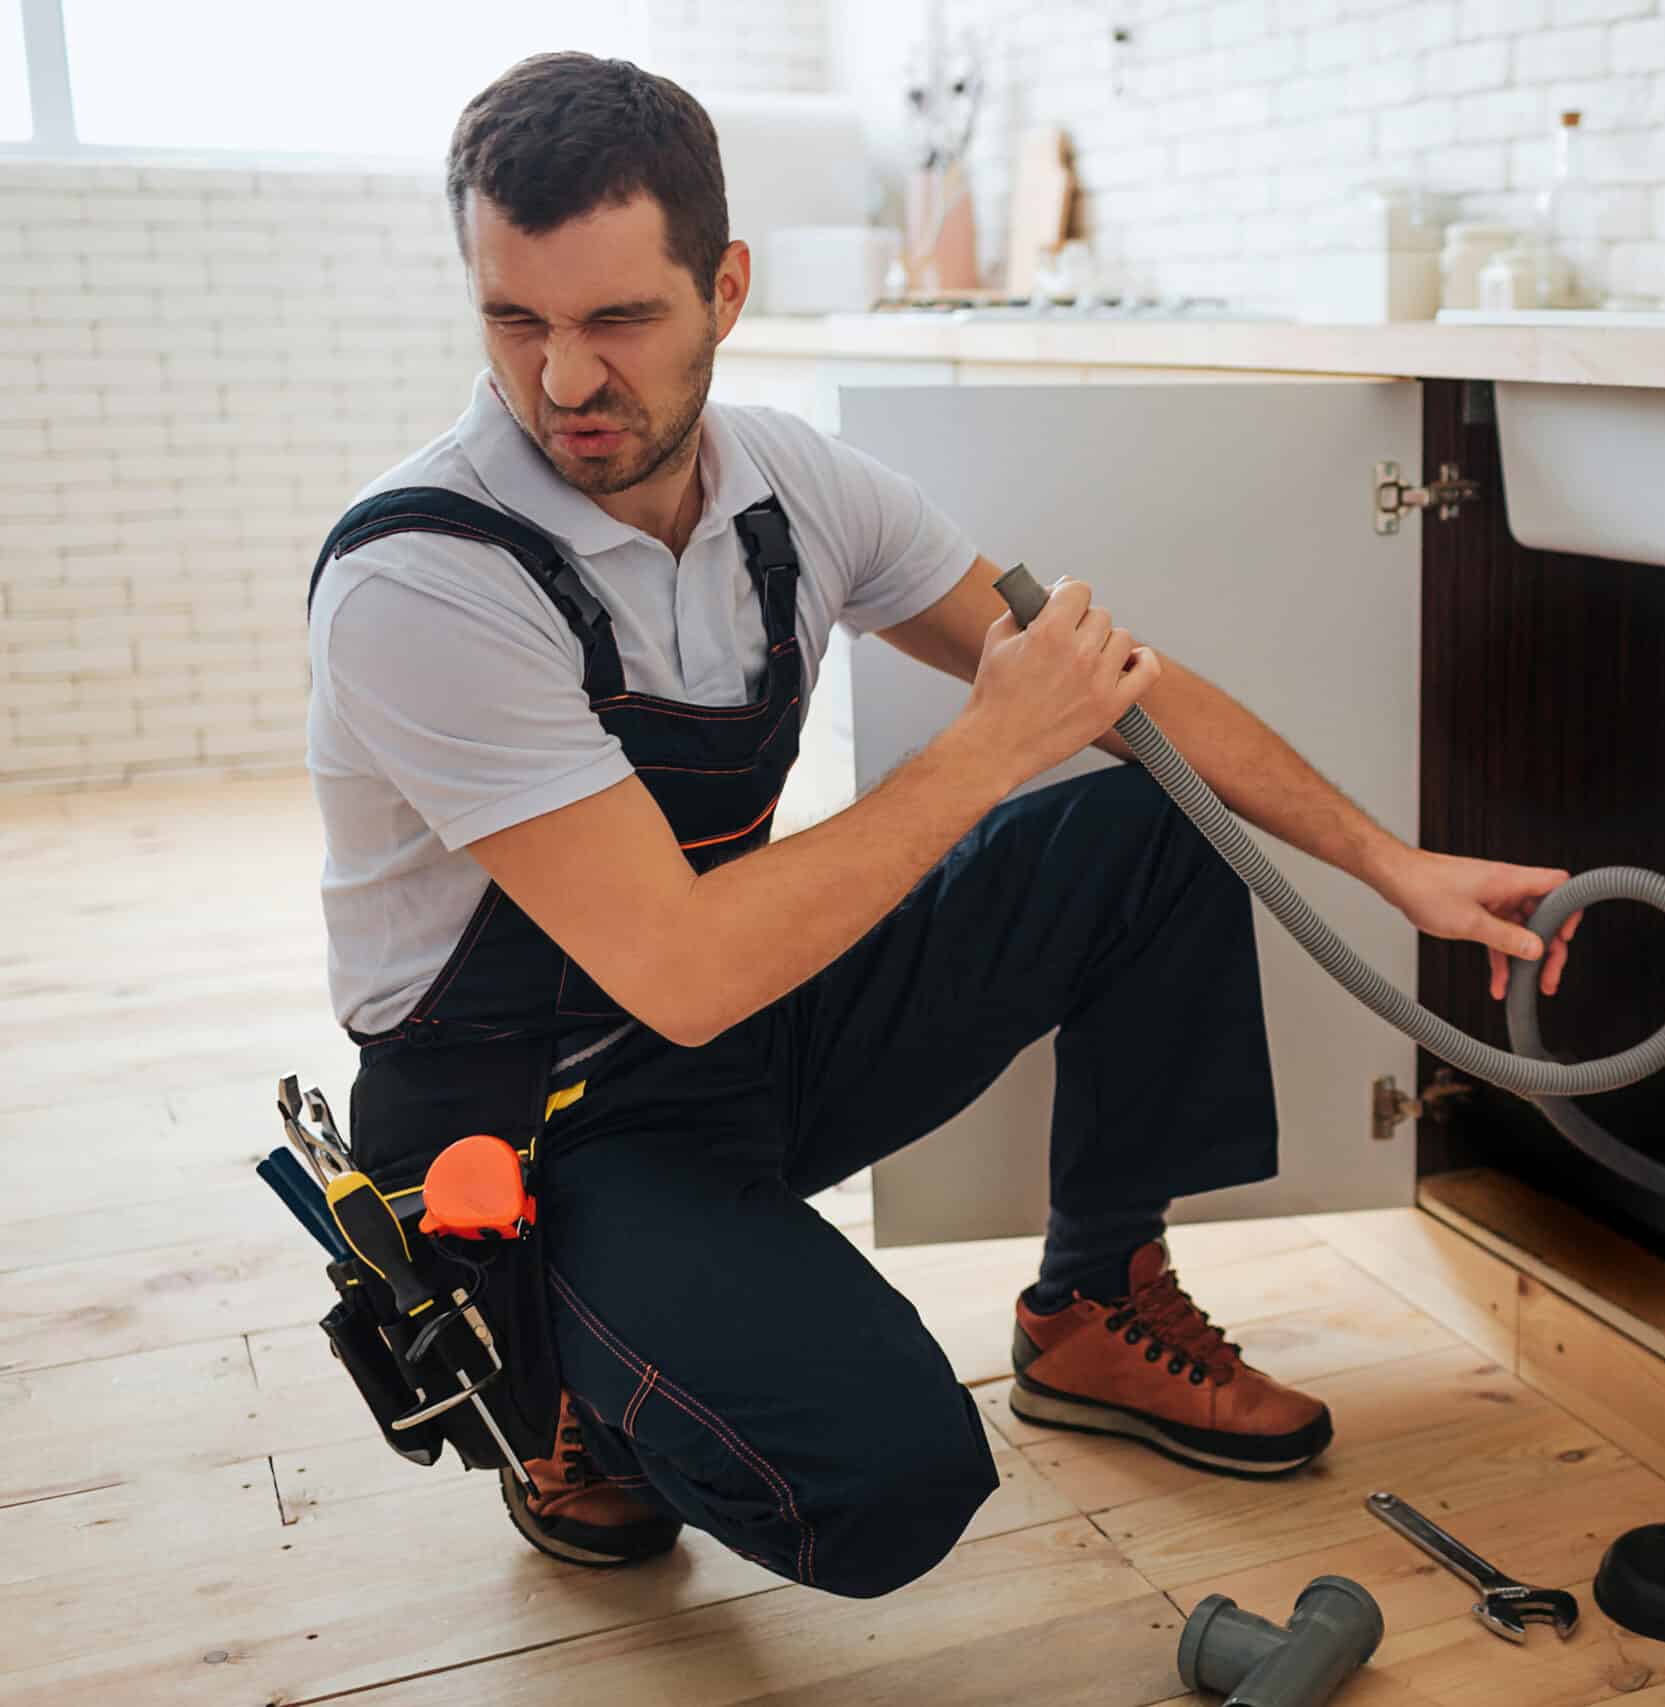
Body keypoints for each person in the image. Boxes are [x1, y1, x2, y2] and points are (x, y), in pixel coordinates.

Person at [303, 51, 1584, 1599]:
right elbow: (684, 969)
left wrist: (1395, 864)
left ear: (726, 287)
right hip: (528, 1124)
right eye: (517, 321)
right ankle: (568, 1388)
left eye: (618, 321)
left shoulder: (787, 485)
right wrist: (984, 751)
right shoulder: (426, 576)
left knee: (1153, 824)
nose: (565, 381)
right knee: (887, 1479)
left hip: (734, 1041)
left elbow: (1118, 689)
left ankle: (1096, 1303)